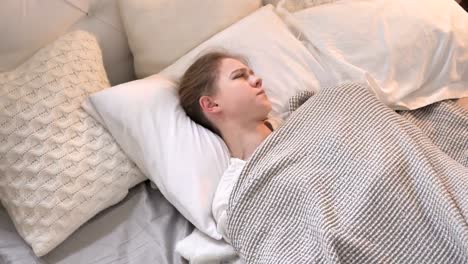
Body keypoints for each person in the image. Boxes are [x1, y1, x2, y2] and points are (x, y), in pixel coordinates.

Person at [178, 51, 282, 161]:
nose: (257, 80)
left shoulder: (294, 115)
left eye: (252, 74)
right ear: (211, 104)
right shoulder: (245, 176)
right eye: (239, 76)